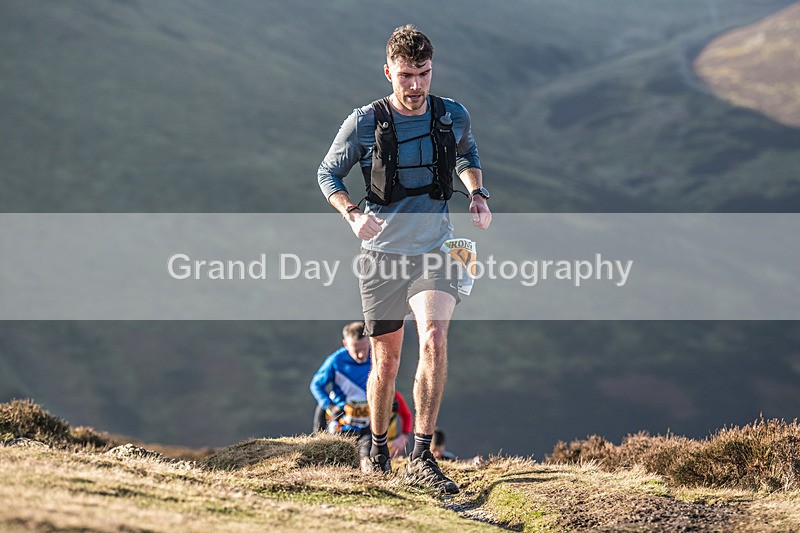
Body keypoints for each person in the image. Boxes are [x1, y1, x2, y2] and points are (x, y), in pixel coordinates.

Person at [317, 25, 491, 494]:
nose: (415, 86)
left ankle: (421, 455)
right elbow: (328, 173)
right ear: (388, 72)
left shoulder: (452, 114)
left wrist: (476, 193)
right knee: (386, 361)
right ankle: (375, 447)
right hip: (380, 255)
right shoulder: (363, 122)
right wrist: (352, 213)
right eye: (406, 76)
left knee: (434, 337)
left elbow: (467, 153)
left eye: (424, 74)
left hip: (438, 247)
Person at [309, 322, 413, 467]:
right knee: (339, 460)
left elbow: (389, 384)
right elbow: (316, 385)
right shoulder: (336, 361)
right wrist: (330, 406)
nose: (361, 355)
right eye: (356, 350)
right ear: (345, 344)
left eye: (364, 348)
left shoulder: (377, 357)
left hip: (368, 423)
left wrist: (390, 400)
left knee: (366, 457)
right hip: (343, 422)